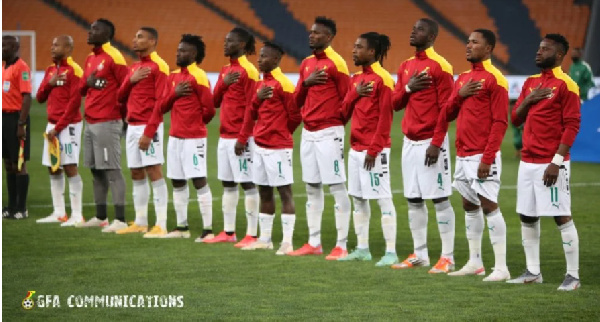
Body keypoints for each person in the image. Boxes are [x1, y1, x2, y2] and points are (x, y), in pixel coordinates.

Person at [430, 29, 510, 281]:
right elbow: (447, 113)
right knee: (468, 204)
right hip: (463, 154)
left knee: (489, 205)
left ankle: (501, 268)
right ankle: (475, 262)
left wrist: (488, 158)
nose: (468, 45)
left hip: (482, 155)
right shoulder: (462, 78)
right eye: (468, 41)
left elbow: (500, 122)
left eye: (475, 42)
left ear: (488, 49)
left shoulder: (496, 79)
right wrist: (459, 96)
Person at [507, 34, 581, 291]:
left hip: (551, 162)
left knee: (561, 216)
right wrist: (527, 100)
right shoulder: (530, 83)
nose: (538, 52)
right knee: (527, 215)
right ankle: (532, 271)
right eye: (539, 48)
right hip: (527, 161)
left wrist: (557, 162)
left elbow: (572, 125)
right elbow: (515, 120)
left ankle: (573, 276)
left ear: (559, 55)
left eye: (545, 49)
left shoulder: (566, 84)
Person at [389, 18, 457, 273]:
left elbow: (446, 110)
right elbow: (395, 103)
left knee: (439, 198)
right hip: (409, 142)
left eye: (419, 29)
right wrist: (408, 87)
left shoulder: (441, 66)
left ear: (431, 37)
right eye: (413, 27)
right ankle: (420, 254)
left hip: (431, 142)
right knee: (413, 199)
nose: (412, 31)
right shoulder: (406, 66)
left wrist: (437, 143)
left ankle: (448, 257)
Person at [290, 16, 352, 260]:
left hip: (329, 134)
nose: (311, 36)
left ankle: (342, 245)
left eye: (317, 33)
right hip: (308, 133)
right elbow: (295, 101)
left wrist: (334, 126)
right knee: (312, 187)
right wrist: (305, 84)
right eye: (311, 32)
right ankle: (314, 242)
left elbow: (348, 102)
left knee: (336, 186)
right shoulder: (306, 64)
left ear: (329, 37)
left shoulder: (337, 64)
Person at [143, 34, 215, 241]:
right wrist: (174, 94)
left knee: (199, 179)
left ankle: (208, 230)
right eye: (178, 49)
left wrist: (195, 124)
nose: (178, 53)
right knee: (177, 180)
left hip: (193, 138)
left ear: (193, 54)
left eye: (183, 50)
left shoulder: (199, 76)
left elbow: (209, 110)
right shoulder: (173, 77)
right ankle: (181, 228)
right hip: (175, 137)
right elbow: (162, 106)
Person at [337, 32, 399, 267]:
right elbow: (343, 113)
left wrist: (374, 150)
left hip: (375, 151)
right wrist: (354, 94)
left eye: (358, 47)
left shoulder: (383, 79)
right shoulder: (356, 80)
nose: (353, 51)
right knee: (359, 200)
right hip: (355, 150)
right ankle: (363, 248)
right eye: (354, 46)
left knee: (383, 199)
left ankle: (391, 252)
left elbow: (386, 119)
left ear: (371, 52)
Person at [236, 42, 302, 255]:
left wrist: (282, 134)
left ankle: (287, 242)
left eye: (264, 56)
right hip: (260, 146)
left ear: (275, 60)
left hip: (278, 148)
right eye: (260, 56)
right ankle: (265, 239)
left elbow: (295, 117)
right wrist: (244, 136)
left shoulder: (284, 84)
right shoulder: (259, 84)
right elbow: (251, 112)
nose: (259, 59)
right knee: (264, 191)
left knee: (284, 192)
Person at [205, 27, 260, 247]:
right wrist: (223, 84)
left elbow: (252, 108)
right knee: (227, 184)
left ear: (243, 46)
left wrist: (243, 136)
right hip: (224, 136)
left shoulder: (249, 71)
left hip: (241, 137)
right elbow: (215, 102)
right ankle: (229, 232)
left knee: (247, 184)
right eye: (225, 40)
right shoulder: (226, 70)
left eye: (231, 41)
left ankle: (252, 234)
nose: (225, 44)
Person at [116, 27, 170, 238]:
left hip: (149, 125)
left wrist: (149, 132)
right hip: (132, 125)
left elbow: (161, 103)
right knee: (136, 172)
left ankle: (161, 224)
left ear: (152, 41)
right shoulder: (135, 67)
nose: (134, 40)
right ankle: (140, 222)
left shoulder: (160, 66)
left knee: (153, 171)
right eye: (135, 36)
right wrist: (131, 80)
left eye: (140, 37)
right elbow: (120, 96)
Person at [76, 19, 129, 232]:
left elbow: (126, 89)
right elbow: (81, 89)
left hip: (108, 121)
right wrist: (88, 83)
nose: (90, 31)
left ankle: (121, 219)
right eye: (90, 28)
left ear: (107, 34)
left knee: (112, 170)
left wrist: (124, 120)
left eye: (95, 29)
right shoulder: (90, 58)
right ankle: (100, 216)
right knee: (96, 171)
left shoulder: (114, 57)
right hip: (90, 122)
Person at [35, 35, 85, 226]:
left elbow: (74, 105)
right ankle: (59, 212)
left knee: (70, 167)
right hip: (53, 125)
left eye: (56, 45)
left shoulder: (75, 71)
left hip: (69, 126)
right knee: (53, 167)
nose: (52, 48)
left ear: (68, 48)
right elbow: (39, 97)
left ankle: (77, 214)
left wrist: (58, 128)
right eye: (52, 44)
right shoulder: (49, 71)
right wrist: (50, 83)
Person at [2, 35, 32, 220]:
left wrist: (21, 124)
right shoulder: (2, 65)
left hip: (16, 118)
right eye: (1, 44)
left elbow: (27, 96)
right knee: (7, 163)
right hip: (3, 119)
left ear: (16, 47)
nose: (3, 47)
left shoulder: (22, 67)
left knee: (19, 164)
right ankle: (11, 206)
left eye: (7, 45)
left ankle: (21, 208)